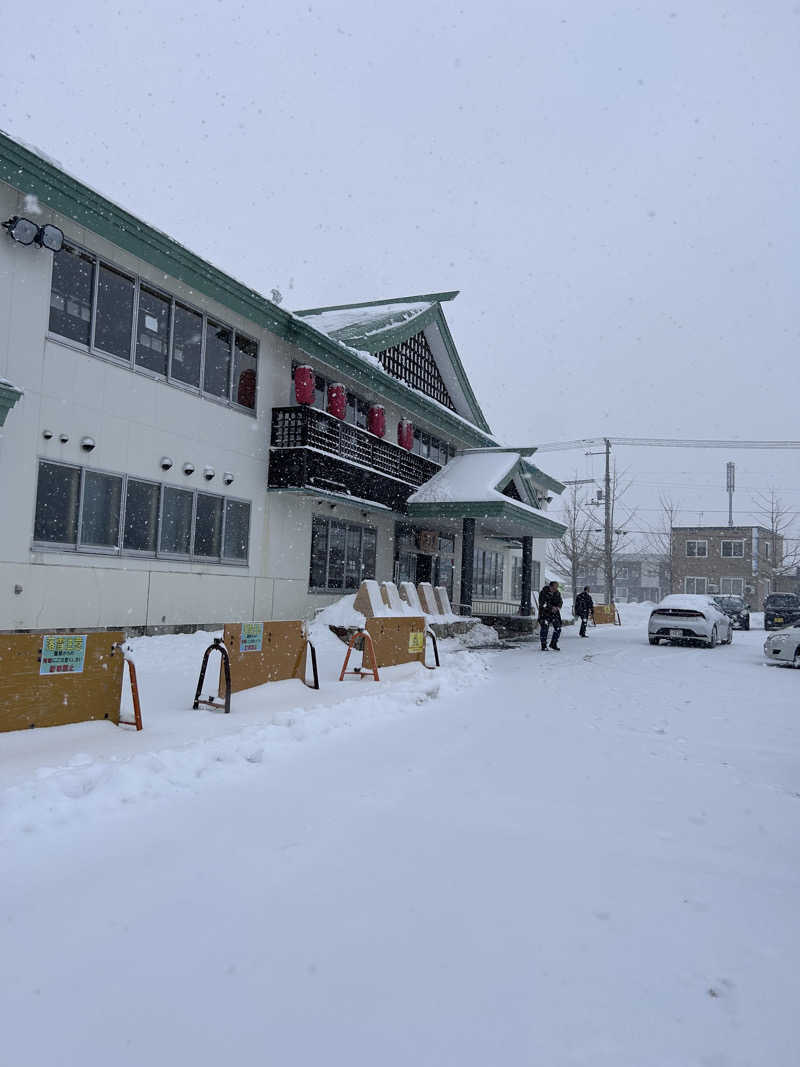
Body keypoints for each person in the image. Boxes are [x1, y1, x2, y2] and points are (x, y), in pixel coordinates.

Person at [538, 580, 563, 651]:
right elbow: (542, 603)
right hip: (544, 613)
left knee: (558, 628)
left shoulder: (557, 593)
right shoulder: (543, 592)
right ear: (550, 586)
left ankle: (553, 643)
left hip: (555, 613)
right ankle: (543, 645)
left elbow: (560, 602)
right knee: (545, 628)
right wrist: (551, 607)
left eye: (557, 587)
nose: (556, 588)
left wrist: (558, 607)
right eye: (555, 587)